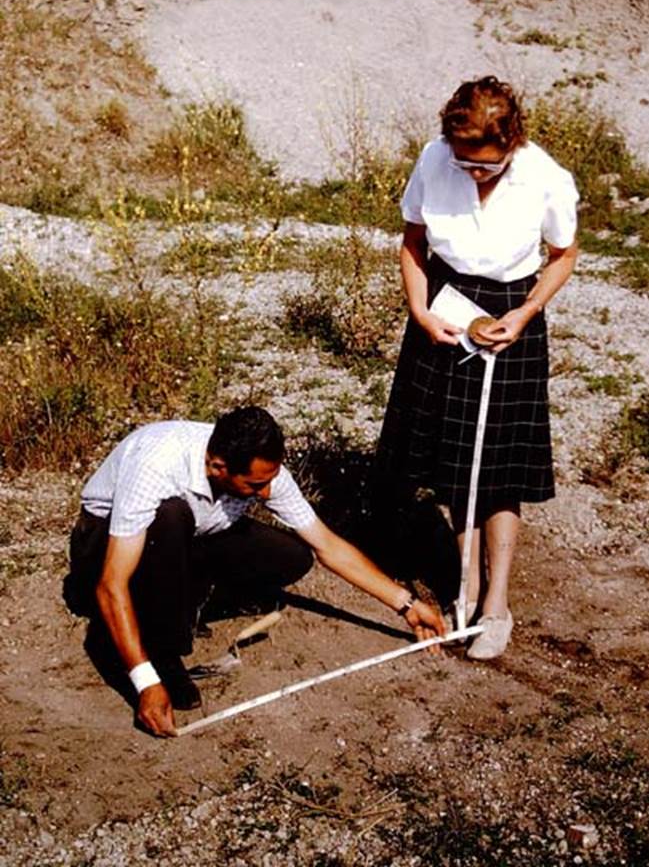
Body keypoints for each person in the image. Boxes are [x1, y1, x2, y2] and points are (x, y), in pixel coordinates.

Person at [64, 406, 445, 738]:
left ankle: (182, 600)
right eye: (255, 485)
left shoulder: (260, 467)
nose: (266, 494)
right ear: (218, 467)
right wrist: (144, 681)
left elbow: (326, 545)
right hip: (104, 545)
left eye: (270, 481)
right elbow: (111, 583)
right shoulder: (157, 465)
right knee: (170, 516)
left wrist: (406, 603)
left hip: (189, 536)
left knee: (291, 556)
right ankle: (161, 650)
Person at [372, 75, 578, 660]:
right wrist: (419, 310)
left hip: (512, 309)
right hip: (447, 306)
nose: (472, 175)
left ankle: (496, 605)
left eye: (485, 167)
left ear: (511, 143)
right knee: (454, 458)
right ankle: (463, 585)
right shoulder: (437, 159)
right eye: (464, 164)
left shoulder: (545, 176)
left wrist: (527, 311)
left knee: (502, 466)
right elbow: (414, 242)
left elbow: (564, 254)